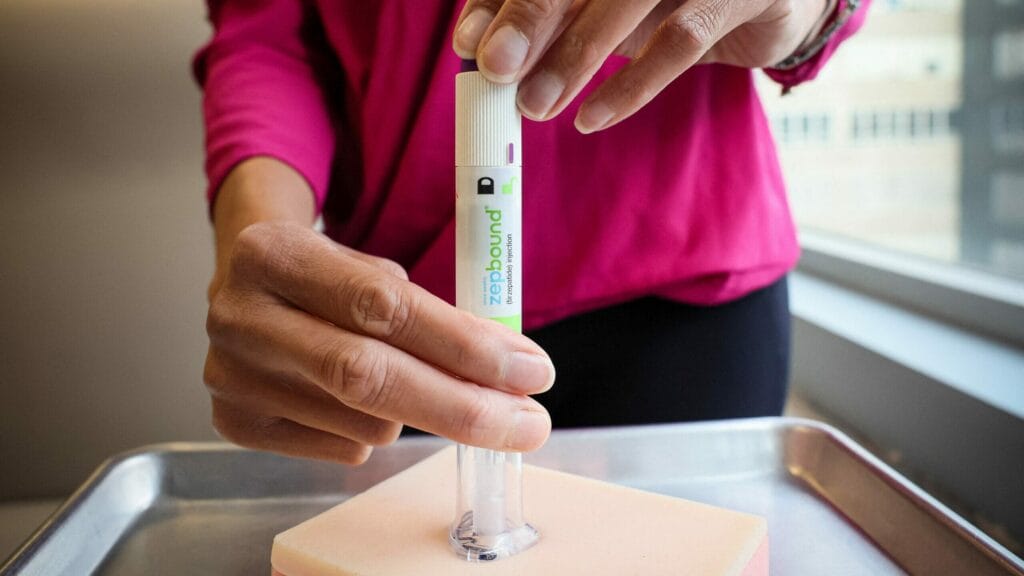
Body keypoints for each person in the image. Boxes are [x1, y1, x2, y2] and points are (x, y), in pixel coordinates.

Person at [195, 0, 870, 464]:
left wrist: (808, 12)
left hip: (686, 294)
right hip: (403, 325)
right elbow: (268, 37)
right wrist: (266, 244)